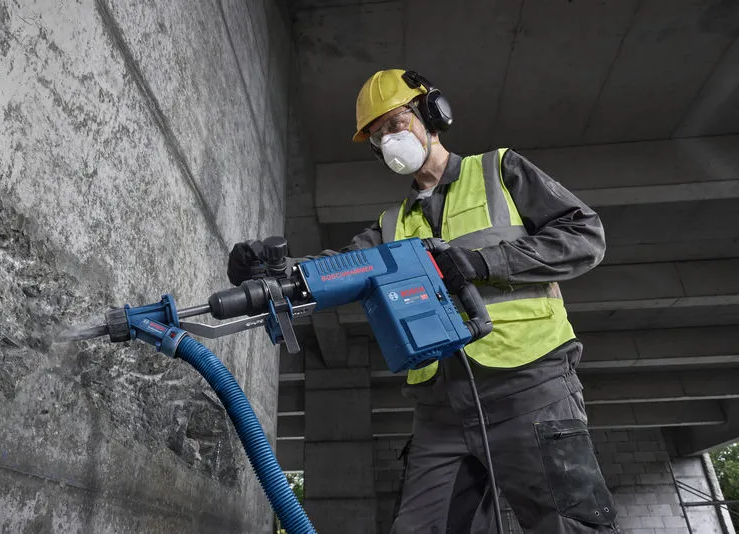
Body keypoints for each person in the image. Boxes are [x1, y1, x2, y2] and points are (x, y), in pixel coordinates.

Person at [227, 69, 620, 533]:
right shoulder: (392, 223)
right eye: (377, 136)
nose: (390, 141)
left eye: (396, 123)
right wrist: (280, 272)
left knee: (568, 526)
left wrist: (482, 262)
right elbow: (340, 268)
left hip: (530, 384)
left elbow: (584, 235)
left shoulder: (499, 170)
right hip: (442, 407)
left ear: (432, 115)